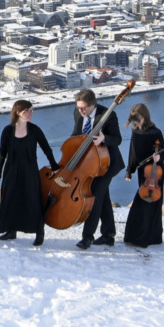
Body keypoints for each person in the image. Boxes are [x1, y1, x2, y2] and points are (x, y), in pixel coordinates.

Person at [0, 100, 57, 246]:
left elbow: (47, 149)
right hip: (12, 170)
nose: (30, 114)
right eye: (27, 111)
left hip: (30, 170)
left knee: (32, 201)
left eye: (31, 111)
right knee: (10, 199)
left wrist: (54, 166)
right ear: (17, 112)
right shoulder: (7, 131)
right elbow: (2, 153)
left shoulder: (34, 130)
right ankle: (11, 230)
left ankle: (39, 232)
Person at [69, 87, 124, 250]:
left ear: (93, 104)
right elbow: (76, 134)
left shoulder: (108, 115)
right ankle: (108, 235)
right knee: (103, 197)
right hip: (90, 165)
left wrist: (104, 138)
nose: (80, 110)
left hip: (108, 164)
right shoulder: (78, 113)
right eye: (78, 107)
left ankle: (87, 237)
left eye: (84, 107)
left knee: (94, 196)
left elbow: (118, 139)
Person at [121, 103, 164, 249]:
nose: (136, 123)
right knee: (144, 202)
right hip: (143, 171)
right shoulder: (135, 131)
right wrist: (129, 170)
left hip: (155, 171)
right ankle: (138, 236)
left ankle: (149, 237)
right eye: (134, 121)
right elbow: (133, 152)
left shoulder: (155, 132)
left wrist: (159, 157)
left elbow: (163, 152)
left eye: (138, 120)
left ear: (145, 117)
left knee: (150, 203)